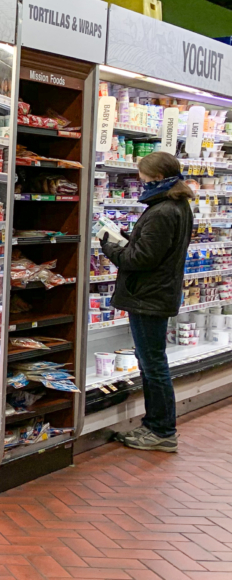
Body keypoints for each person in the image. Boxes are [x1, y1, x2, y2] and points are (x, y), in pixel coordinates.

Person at [99, 150, 193, 452]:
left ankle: (161, 430)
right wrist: (128, 237)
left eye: (142, 176)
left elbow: (140, 259)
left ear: (156, 177)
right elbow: (153, 249)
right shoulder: (177, 205)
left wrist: (109, 246)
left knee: (153, 365)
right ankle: (156, 426)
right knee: (153, 362)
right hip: (156, 293)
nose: (139, 181)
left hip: (148, 296)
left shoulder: (163, 210)